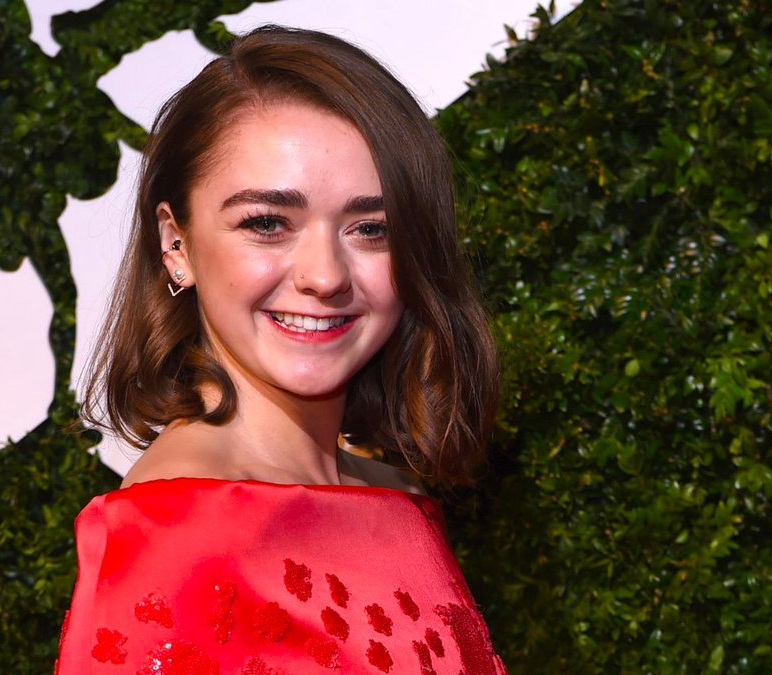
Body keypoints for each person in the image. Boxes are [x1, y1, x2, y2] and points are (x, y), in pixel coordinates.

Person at [56, 25, 504, 674]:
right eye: (267, 223)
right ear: (176, 245)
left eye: (371, 228)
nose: (325, 275)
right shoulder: (173, 541)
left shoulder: (391, 494)